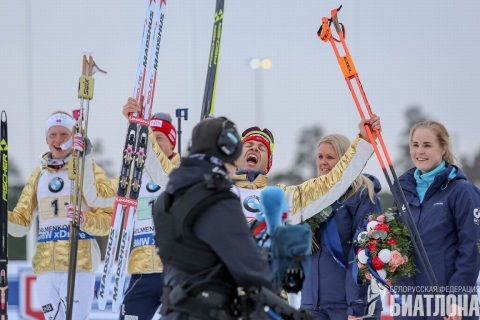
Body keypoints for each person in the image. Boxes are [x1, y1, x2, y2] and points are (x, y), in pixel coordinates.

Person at [154, 117, 277, 319]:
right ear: (228, 149)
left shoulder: (166, 197)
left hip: (173, 309)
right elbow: (251, 270)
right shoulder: (217, 200)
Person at [8, 111, 116, 320]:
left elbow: (108, 220)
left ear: (74, 136)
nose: (58, 140)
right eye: (53, 135)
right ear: (46, 139)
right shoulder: (39, 174)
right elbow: (22, 223)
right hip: (46, 264)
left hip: (79, 262)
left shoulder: (89, 169)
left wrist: (85, 221)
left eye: (64, 134)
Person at [393, 120, 480, 320]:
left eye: (427, 145)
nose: (419, 151)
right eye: (415, 145)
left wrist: (458, 299)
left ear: (443, 148)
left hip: (449, 305)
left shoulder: (462, 191)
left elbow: (471, 249)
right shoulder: (403, 190)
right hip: (410, 305)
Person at [232, 115, 382, 226]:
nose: (254, 148)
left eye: (261, 148)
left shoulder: (281, 199)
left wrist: (364, 141)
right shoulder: (215, 190)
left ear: (267, 165)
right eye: (248, 144)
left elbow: (332, 183)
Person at [300, 134, 383, 319]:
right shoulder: (309, 197)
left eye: (330, 157)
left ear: (346, 160)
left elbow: (366, 253)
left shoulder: (363, 196)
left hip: (347, 306)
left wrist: (358, 306)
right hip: (312, 305)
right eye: (320, 157)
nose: (323, 162)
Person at [119, 97, 180, 320]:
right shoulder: (133, 177)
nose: (153, 142)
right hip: (142, 272)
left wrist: (140, 128)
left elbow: (163, 175)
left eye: (159, 138)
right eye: (150, 138)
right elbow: (103, 203)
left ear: (172, 143)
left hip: (175, 273)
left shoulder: (183, 172)